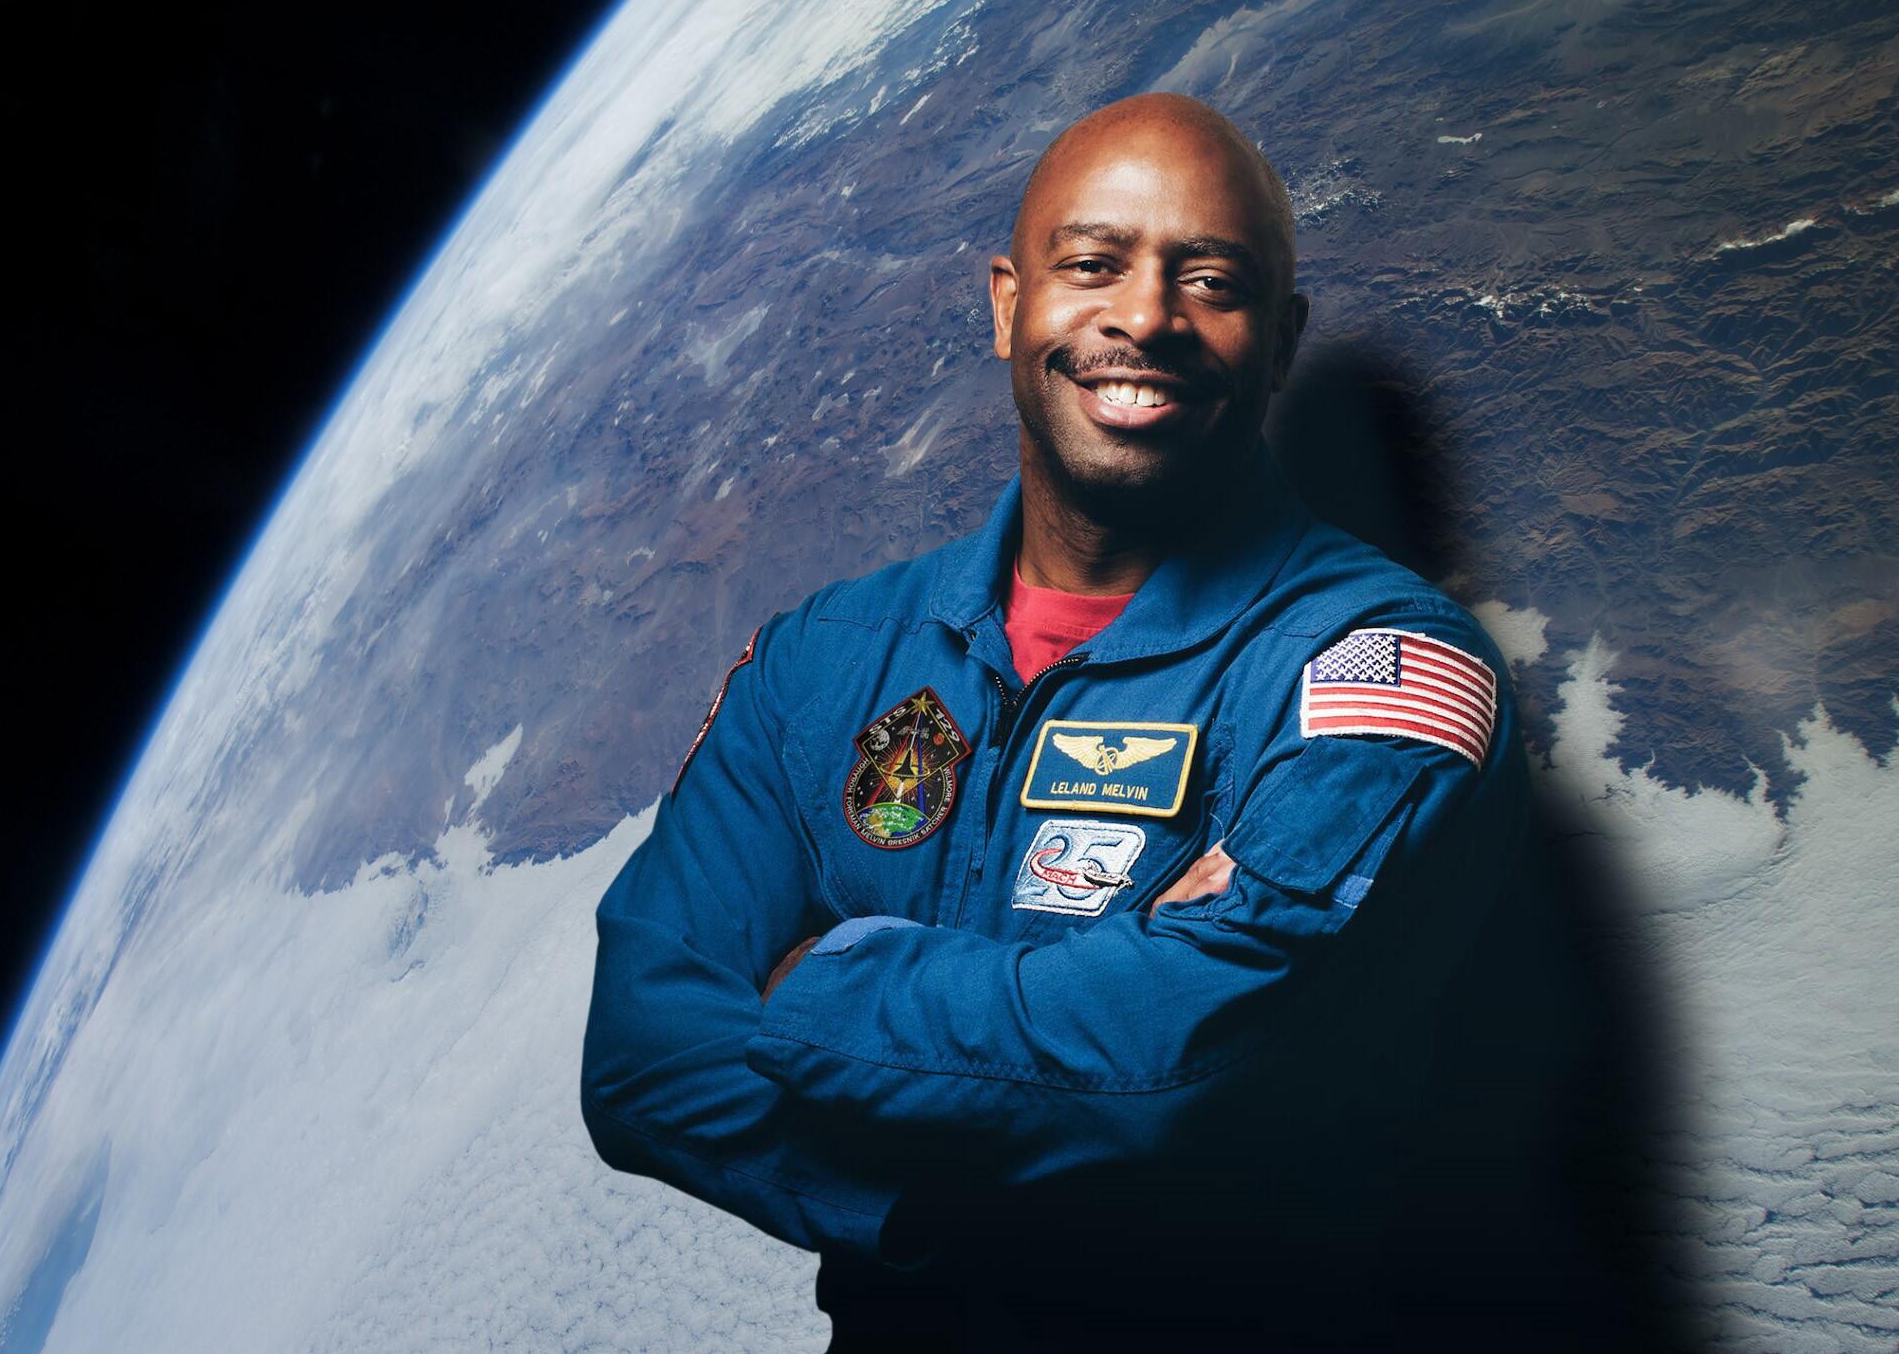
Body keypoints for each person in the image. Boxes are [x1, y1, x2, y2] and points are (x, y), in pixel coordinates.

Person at [581, 93, 1541, 1351]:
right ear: (1005, 303)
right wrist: (942, 1205)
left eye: (1210, 281)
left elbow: (1203, 1059)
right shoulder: (823, 659)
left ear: (1279, 339)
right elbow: (641, 1053)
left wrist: (815, 982)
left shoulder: (1380, 668)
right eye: (1091, 264)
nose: (1143, 318)